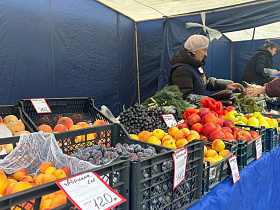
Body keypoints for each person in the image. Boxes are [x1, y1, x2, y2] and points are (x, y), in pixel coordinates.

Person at [169, 34, 243, 104]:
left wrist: (226, 85)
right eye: (204, 50)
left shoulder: (195, 64)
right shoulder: (181, 69)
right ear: (194, 51)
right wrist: (210, 101)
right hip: (189, 113)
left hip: (198, 111)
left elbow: (206, 82)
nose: (206, 54)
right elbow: (185, 96)